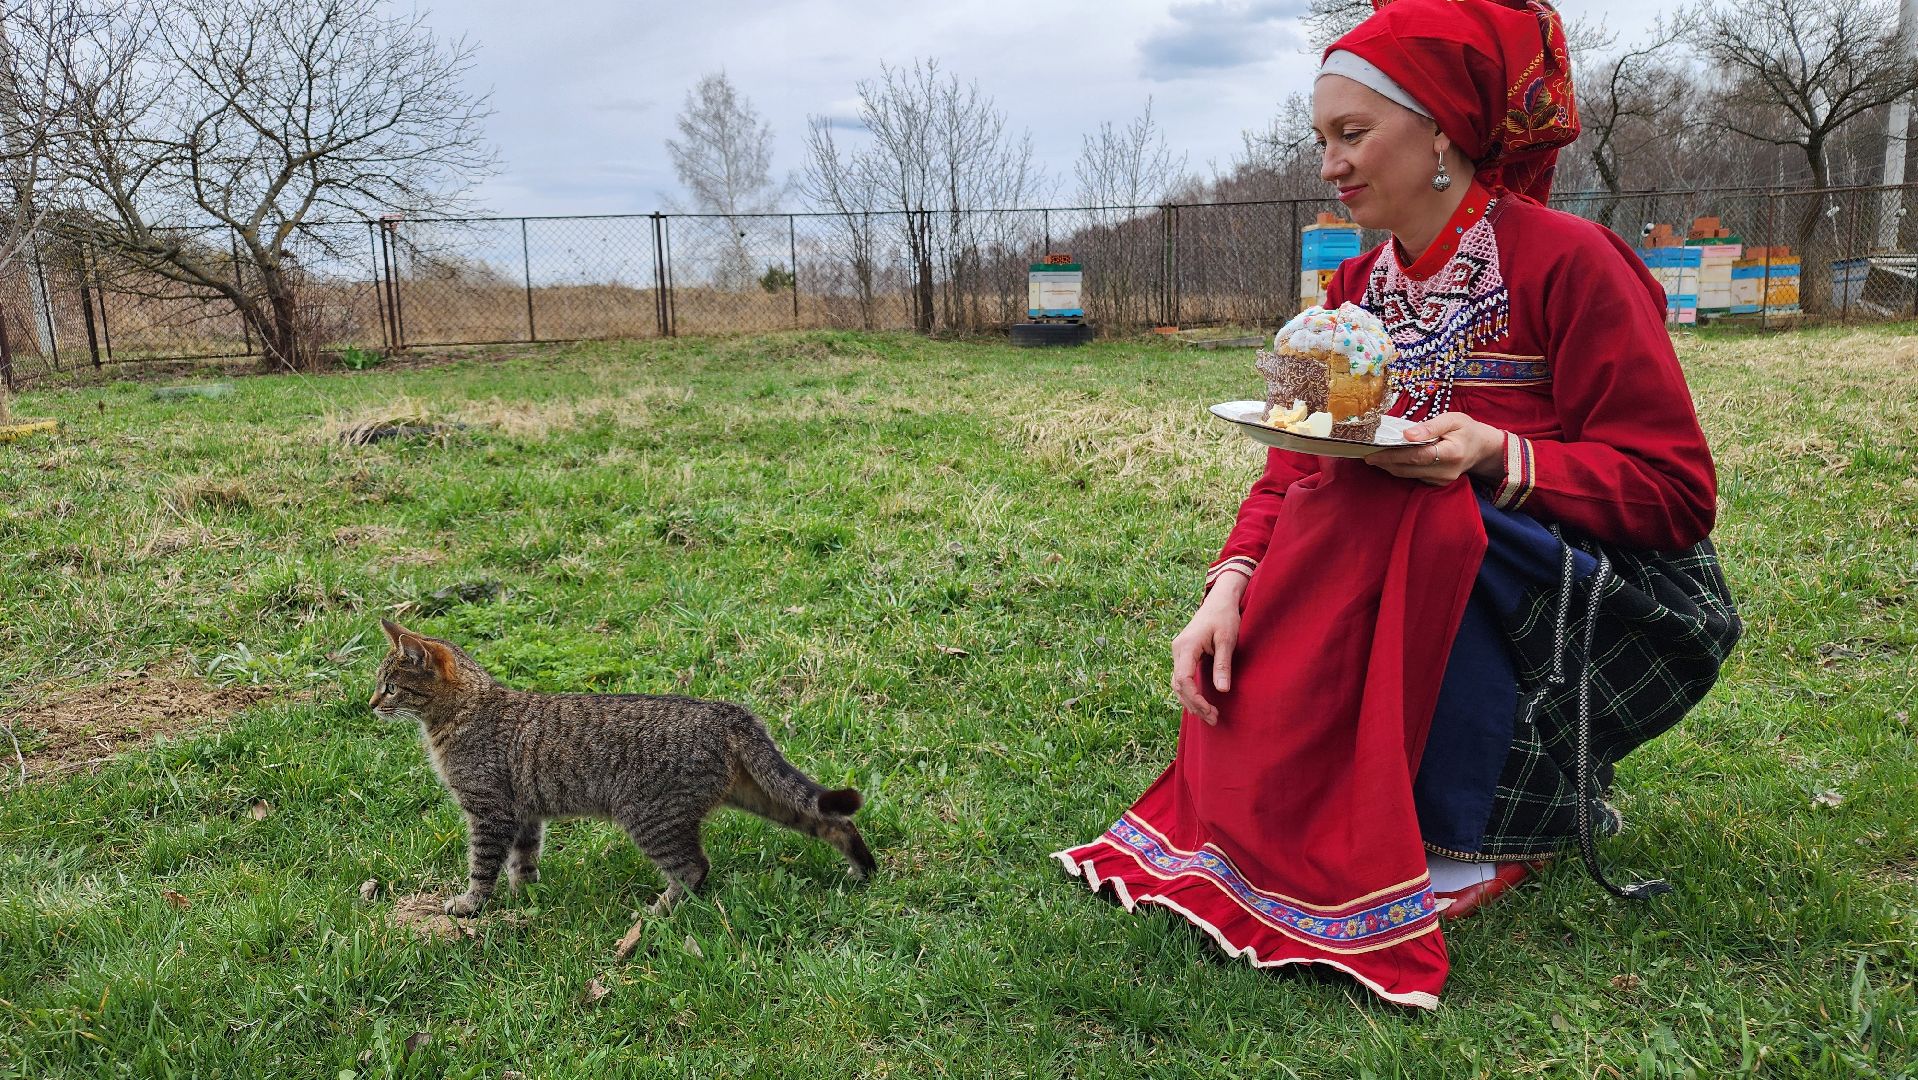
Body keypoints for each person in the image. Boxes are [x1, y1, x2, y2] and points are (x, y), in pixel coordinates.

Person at [1053, 0, 1740, 1008]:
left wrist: (1496, 451)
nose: (1329, 163)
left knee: (1410, 505)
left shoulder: (1570, 264)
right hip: (1431, 557)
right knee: (1356, 495)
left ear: (1442, 136)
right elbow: (1296, 463)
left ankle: (1468, 829)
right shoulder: (1352, 288)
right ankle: (1324, 805)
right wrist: (1229, 583)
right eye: (1320, 138)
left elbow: (1676, 496)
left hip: (1614, 595)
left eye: (1353, 133)